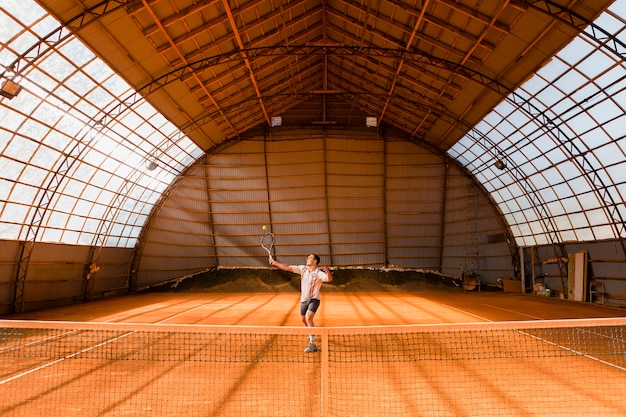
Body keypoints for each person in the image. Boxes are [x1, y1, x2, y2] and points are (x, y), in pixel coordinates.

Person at [269, 254, 333, 352]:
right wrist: (275, 263)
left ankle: (312, 345)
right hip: (304, 299)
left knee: (308, 317)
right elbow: (288, 268)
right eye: (307, 258)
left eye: (310, 258)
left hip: (314, 299)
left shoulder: (318, 273)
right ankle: (312, 329)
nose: (307, 259)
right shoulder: (303, 269)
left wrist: (327, 272)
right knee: (303, 320)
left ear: (315, 261)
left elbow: (329, 279)